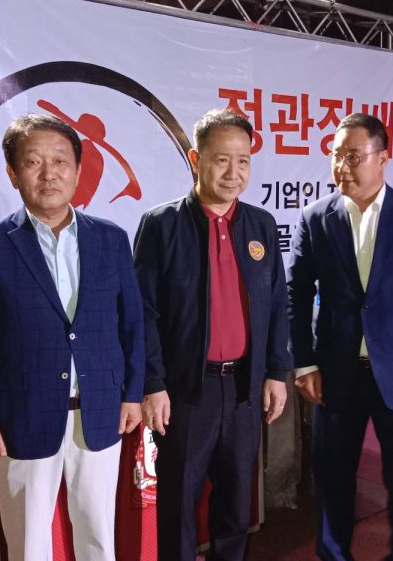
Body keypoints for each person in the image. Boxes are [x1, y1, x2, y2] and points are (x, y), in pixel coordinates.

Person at [0, 114, 145, 560]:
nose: (48, 173)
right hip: (19, 417)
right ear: (12, 173)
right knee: (28, 546)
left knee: (99, 537)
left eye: (60, 161)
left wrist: (132, 394)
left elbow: (132, 323)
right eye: (33, 162)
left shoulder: (111, 239)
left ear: (77, 170)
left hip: (100, 412)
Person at [288, 113, 393, 560]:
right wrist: (304, 362)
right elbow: (296, 293)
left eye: (353, 156)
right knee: (332, 476)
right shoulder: (315, 217)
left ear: (383, 158)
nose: (341, 166)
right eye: (335, 156)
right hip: (335, 373)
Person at [133, 108, 292, 560]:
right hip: (186, 393)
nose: (233, 172)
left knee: (236, 506)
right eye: (222, 160)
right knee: (178, 505)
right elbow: (143, 314)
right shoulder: (161, 225)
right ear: (195, 159)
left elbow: (276, 303)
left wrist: (276, 371)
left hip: (243, 391)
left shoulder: (261, 225)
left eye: (243, 161)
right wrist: (153, 383)